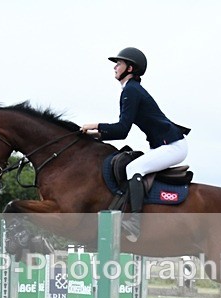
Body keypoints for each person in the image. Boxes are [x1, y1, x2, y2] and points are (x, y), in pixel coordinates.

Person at [81, 47, 189, 241]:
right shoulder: (130, 90)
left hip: (173, 146)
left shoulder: (131, 90)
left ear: (130, 68)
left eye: (119, 64)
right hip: (165, 145)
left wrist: (94, 126)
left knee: (133, 168)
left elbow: (122, 129)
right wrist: (94, 136)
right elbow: (121, 132)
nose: (115, 67)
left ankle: (134, 222)